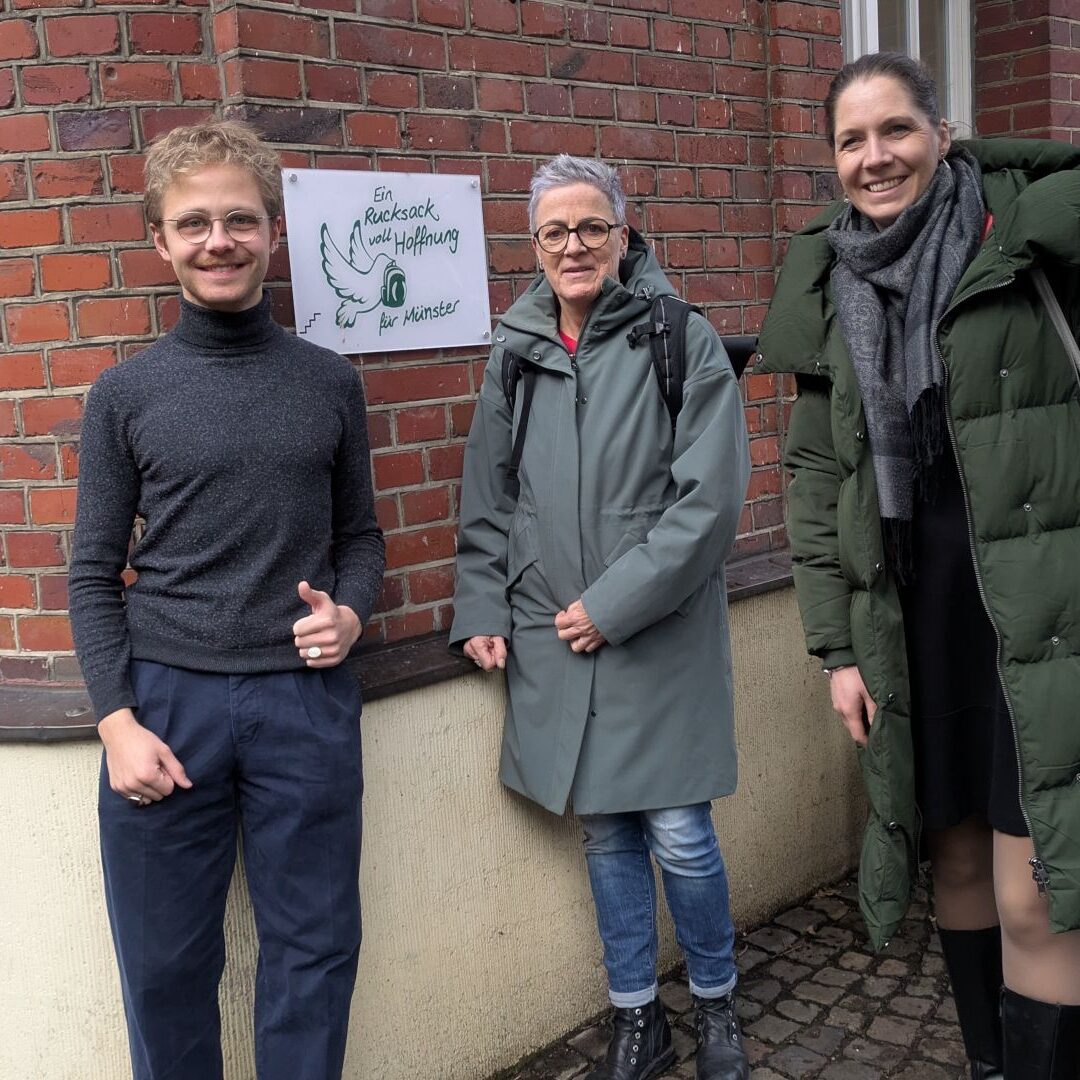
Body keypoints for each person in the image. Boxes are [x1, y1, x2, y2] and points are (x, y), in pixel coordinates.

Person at [756, 52, 1080, 1080]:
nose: (875, 156)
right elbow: (815, 481)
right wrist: (838, 653)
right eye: (850, 140)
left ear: (943, 133)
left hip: (1040, 615)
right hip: (913, 619)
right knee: (957, 859)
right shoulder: (832, 277)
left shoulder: (1025, 238)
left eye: (895, 129)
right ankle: (988, 1063)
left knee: (1038, 892)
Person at [68, 119, 385, 1080]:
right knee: (165, 968)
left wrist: (352, 612)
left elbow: (362, 537)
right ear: (160, 240)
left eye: (240, 220)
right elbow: (91, 572)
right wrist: (116, 723)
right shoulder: (124, 395)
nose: (220, 241)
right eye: (194, 223)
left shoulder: (329, 382)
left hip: (304, 703)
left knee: (314, 955)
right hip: (167, 708)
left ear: (273, 233)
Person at [450, 154, 752, 1080]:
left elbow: (708, 505)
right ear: (533, 246)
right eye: (554, 232)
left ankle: (716, 1004)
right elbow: (489, 494)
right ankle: (636, 1019)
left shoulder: (680, 336)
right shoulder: (517, 350)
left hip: (657, 635)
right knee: (607, 834)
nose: (573, 246)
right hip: (552, 635)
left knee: (681, 835)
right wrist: (482, 604)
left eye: (591, 227)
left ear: (623, 234)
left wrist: (612, 608)